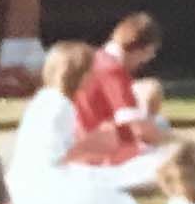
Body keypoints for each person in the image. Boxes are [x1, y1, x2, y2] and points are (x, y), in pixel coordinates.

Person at [5, 42, 163, 204]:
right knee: (113, 202)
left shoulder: (43, 100)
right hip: (47, 184)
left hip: (28, 180)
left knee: (114, 183)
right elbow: (54, 157)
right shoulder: (60, 106)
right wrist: (94, 146)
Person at [68, 11, 168, 166]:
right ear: (143, 49)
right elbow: (137, 128)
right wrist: (177, 144)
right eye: (149, 54)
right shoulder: (113, 71)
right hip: (100, 156)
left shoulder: (94, 60)